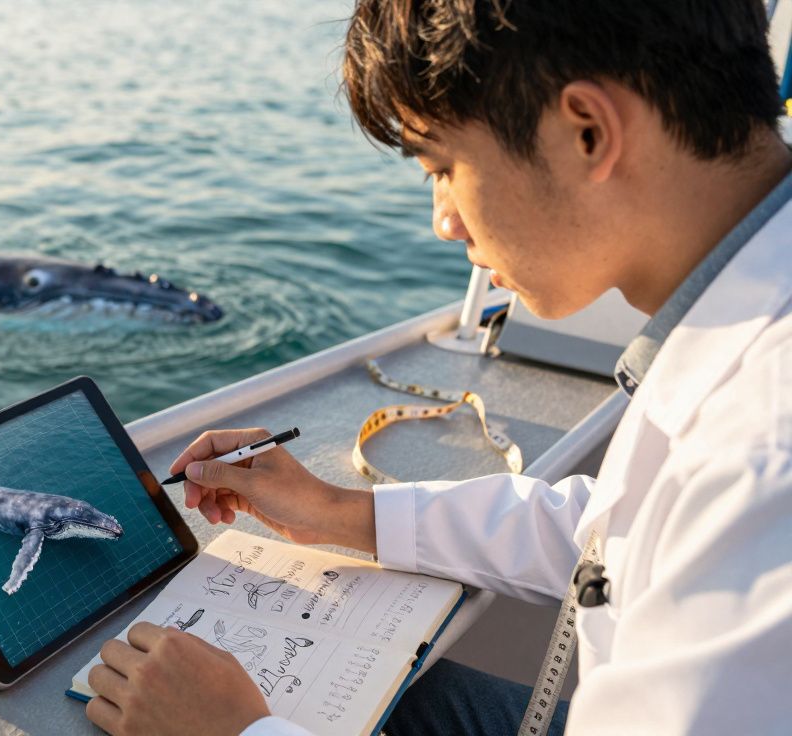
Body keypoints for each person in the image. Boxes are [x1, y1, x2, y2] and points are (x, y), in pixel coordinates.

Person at [82, 1, 792, 734]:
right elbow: (613, 535)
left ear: (587, 132)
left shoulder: (764, 456)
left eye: (444, 168)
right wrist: (337, 512)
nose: (444, 221)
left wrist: (238, 733)